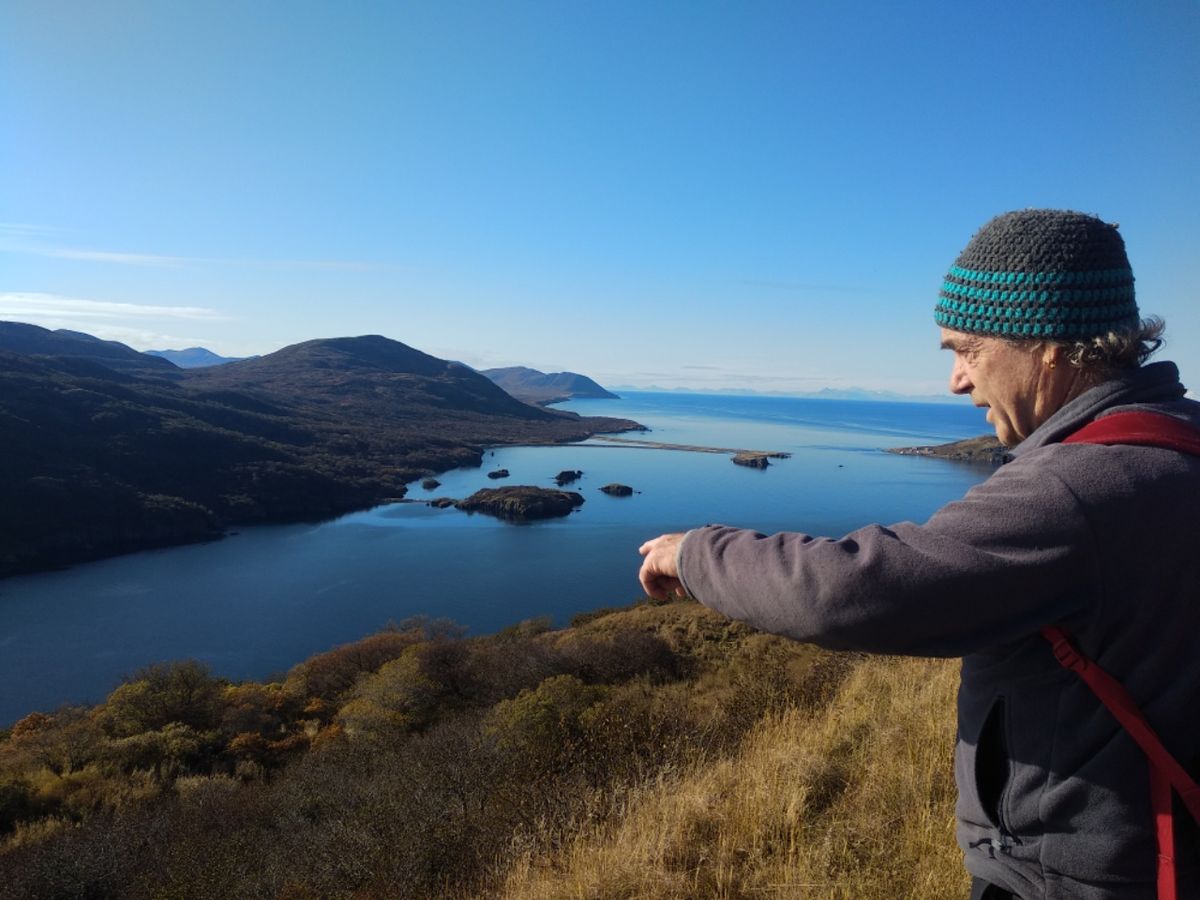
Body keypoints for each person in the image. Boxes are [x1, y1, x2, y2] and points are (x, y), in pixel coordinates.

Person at [637, 209, 1200, 900]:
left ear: (1049, 344)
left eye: (967, 350)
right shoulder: (1180, 443)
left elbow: (852, 591)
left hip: (1082, 879)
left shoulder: (1076, 488)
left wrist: (696, 553)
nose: (956, 381)